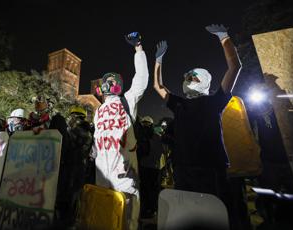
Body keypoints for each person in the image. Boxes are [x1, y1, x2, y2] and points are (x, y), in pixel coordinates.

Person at [153, 24, 241, 202]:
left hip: (211, 168)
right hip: (184, 168)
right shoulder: (179, 103)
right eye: (187, 77)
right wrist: (158, 61)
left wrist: (224, 38)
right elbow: (158, 86)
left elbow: (235, 67)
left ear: (204, 81)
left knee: (213, 212)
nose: (188, 79)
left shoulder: (215, 100)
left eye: (193, 77)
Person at [92, 32, 149, 230]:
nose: (103, 85)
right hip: (101, 175)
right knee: (104, 218)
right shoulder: (98, 110)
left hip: (125, 175)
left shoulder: (127, 101)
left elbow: (141, 79)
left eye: (107, 82)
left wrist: (138, 49)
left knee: (127, 217)